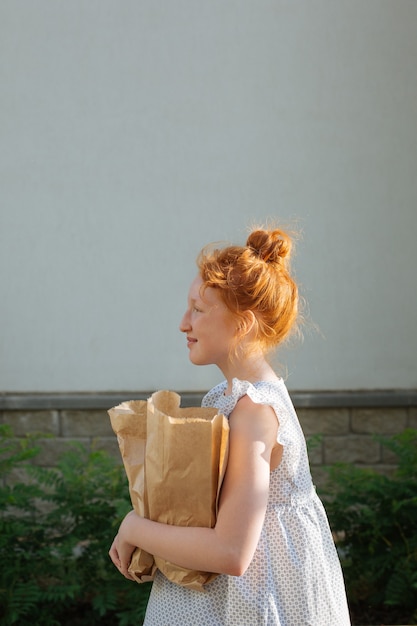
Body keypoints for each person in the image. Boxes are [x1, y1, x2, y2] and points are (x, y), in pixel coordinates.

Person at [109, 226, 351, 625]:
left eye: (198, 310)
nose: (184, 323)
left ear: (243, 324)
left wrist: (135, 526)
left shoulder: (254, 411)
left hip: (252, 607)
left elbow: (231, 552)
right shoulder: (231, 397)